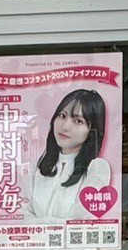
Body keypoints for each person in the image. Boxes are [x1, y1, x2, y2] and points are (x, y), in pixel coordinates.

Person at [26, 87, 113, 223]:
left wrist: (38, 224)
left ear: (92, 130)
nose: (65, 126)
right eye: (62, 116)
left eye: (78, 121)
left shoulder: (97, 168)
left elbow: (81, 221)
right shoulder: (37, 164)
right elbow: (21, 214)